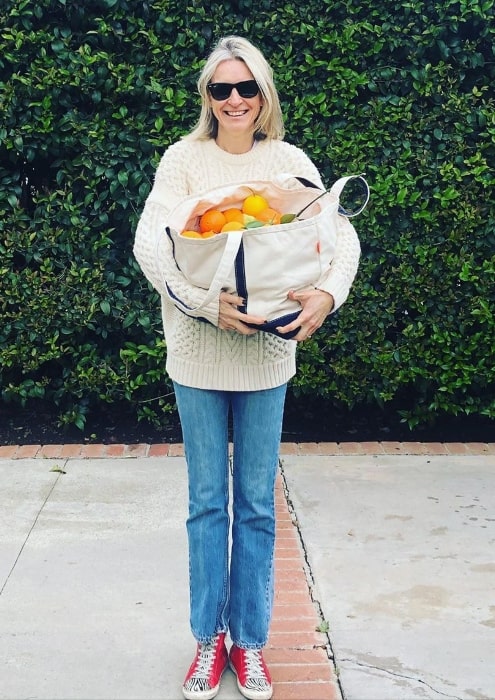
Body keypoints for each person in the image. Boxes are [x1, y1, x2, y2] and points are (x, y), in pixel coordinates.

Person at [133, 35, 361, 700]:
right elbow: (151, 245)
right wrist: (206, 305)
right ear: (206, 96)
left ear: (264, 95)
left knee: (256, 507)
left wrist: (326, 293)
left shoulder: (288, 160)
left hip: (266, 358)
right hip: (197, 358)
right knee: (207, 506)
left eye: (246, 87)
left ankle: (250, 645)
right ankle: (208, 643)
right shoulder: (182, 161)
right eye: (220, 89)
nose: (234, 100)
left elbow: (337, 232)